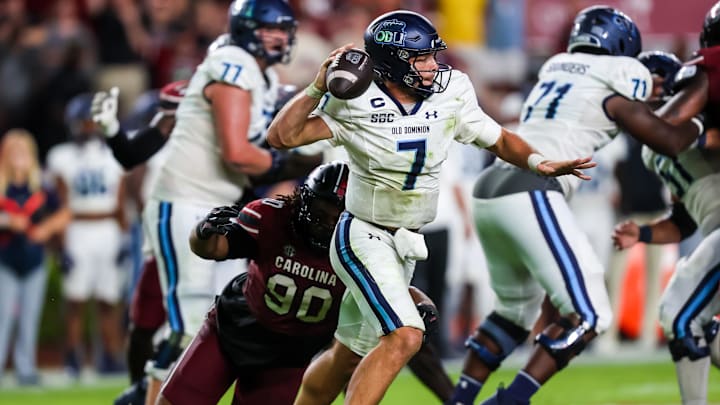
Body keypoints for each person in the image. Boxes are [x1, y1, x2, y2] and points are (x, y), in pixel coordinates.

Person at [267, 10, 596, 405]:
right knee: (406, 335)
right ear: (390, 62)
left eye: (431, 56)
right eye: (420, 58)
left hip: (406, 240)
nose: (432, 66)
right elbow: (282, 136)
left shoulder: (451, 91)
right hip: (362, 234)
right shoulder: (356, 99)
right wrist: (318, 87)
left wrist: (537, 162)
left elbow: (498, 138)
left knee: (348, 353)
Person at [448, 6, 706, 405]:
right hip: (531, 188)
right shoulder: (619, 85)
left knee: (512, 313)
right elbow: (669, 140)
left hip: (492, 187)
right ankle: (509, 402)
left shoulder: (558, 68)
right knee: (591, 314)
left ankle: (460, 400)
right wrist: (702, 119)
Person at [157, 161, 449, 404]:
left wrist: (422, 306)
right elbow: (214, 249)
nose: (325, 223)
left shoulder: (361, 245)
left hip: (286, 358)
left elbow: (395, 290)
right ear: (303, 199)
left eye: (336, 217)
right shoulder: (273, 216)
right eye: (320, 212)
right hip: (233, 331)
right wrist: (203, 232)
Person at [136, 0, 299, 401]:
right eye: (269, 28)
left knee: (226, 320)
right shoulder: (234, 61)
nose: (279, 37)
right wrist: (289, 161)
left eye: (284, 29)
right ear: (245, 29)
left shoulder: (265, 75)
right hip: (186, 200)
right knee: (189, 323)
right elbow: (238, 153)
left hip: (219, 207)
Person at [612, 5, 720, 403]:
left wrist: (702, 136)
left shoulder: (695, 117)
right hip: (714, 233)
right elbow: (683, 221)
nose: (650, 93)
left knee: (679, 313)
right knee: (695, 322)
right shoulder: (651, 149)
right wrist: (640, 233)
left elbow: (693, 133)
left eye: (656, 83)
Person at [46, 92, 128, 378]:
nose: (90, 128)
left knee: (109, 298)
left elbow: (119, 202)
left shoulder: (114, 154)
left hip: (107, 229)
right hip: (78, 228)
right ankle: (73, 355)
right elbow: (59, 203)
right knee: (75, 300)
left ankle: (111, 354)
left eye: (93, 123)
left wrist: (124, 237)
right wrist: (60, 245)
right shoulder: (62, 156)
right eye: (85, 123)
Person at [0, 129, 71, 386]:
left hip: (34, 258)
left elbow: (64, 213)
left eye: (23, 152)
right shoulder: (2, 185)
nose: (19, 157)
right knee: (3, 316)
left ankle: (25, 368)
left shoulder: (41, 185)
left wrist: (46, 229)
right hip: (5, 258)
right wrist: (7, 221)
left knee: (30, 316)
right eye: (14, 152)